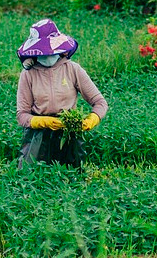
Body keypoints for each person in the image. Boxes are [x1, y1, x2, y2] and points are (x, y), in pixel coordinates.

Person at [16, 19, 108, 169]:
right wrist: (44, 121)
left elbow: (100, 102)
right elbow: (22, 115)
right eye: (43, 52)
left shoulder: (72, 69)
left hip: (69, 131)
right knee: (32, 177)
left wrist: (92, 119)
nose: (47, 56)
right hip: (38, 135)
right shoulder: (28, 74)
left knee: (71, 177)